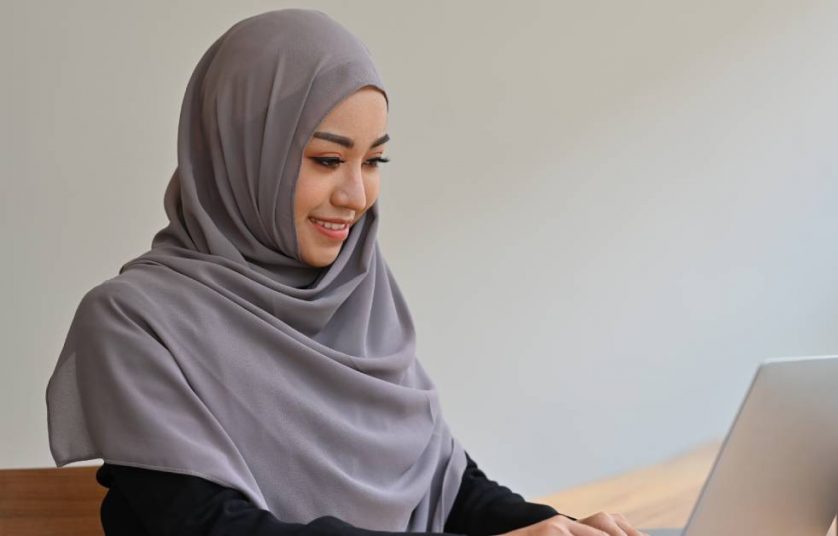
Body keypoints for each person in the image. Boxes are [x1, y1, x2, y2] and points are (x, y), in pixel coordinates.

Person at [44, 8, 648, 536]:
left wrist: (553, 526)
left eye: (374, 160)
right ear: (238, 152)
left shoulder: (358, 293)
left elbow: (441, 481)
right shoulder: (134, 321)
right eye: (328, 159)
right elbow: (208, 525)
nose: (357, 195)